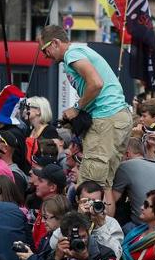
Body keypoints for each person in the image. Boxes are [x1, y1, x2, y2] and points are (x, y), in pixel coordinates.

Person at [38, 26, 132, 189]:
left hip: (106, 118)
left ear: (55, 42)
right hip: (118, 116)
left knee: (89, 187)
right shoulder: (80, 50)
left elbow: (96, 83)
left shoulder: (71, 54)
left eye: (44, 50)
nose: (45, 56)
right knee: (104, 187)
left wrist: (76, 108)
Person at [41, 211, 119, 260]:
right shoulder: (60, 251)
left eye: (83, 236)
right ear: (65, 236)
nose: (80, 241)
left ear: (88, 233)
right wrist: (56, 259)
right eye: (74, 237)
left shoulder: (105, 253)